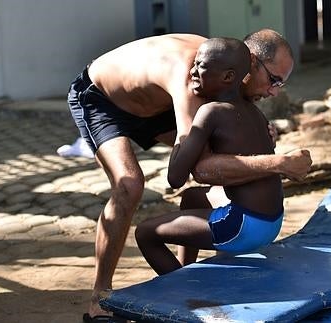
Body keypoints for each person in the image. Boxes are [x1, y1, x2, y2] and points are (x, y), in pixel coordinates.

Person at [67, 30, 312, 323]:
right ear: (252, 63)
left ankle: (183, 273)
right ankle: (100, 298)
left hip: (157, 104)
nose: (275, 92)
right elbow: (201, 169)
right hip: (103, 99)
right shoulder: (197, 76)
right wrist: (278, 162)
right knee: (129, 184)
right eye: (274, 81)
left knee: (197, 188)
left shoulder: (221, 65)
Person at [135, 37, 293, 276]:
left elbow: (175, 177)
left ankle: (180, 288)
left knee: (145, 233)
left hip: (242, 227)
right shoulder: (255, 112)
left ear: (228, 77)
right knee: (192, 198)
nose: (192, 71)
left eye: (201, 66)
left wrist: (184, 132)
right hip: (271, 224)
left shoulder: (209, 112)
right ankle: (187, 269)